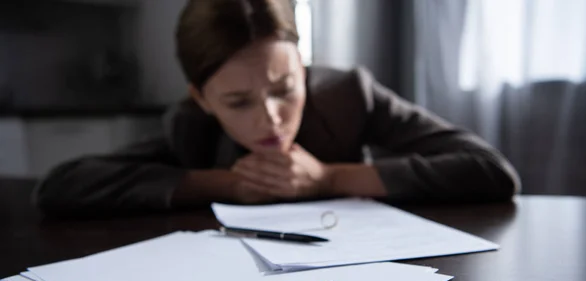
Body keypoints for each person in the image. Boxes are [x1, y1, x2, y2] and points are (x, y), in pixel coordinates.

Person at [34, 0, 520, 217]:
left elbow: (490, 170)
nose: (269, 118)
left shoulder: (351, 93)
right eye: (238, 102)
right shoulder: (191, 127)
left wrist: (330, 178)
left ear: (303, 67)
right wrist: (226, 183)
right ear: (201, 99)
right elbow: (61, 187)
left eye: (285, 88)